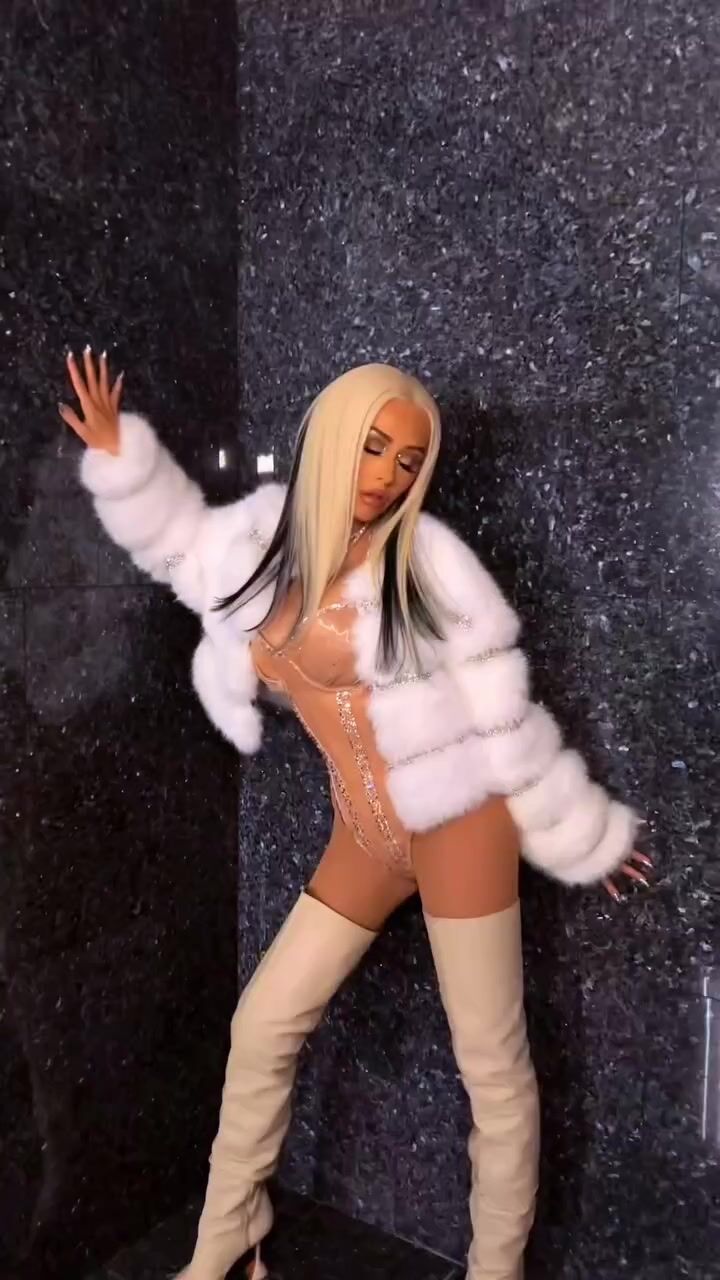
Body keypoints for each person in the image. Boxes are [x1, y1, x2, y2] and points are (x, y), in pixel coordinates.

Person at [60, 350, 651, 1280]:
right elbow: (176, 541)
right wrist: (119, 457)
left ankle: (497, 1271)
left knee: (492, 1063)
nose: (386, 476)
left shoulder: (431, 566)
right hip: (365, 832)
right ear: (333, 438)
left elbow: (504, 715)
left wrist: (582, 832)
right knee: (262, 1025)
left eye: (408, 462)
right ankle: (227, 1240)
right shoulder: (254, 543)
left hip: (459, 823)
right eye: (373, 448)